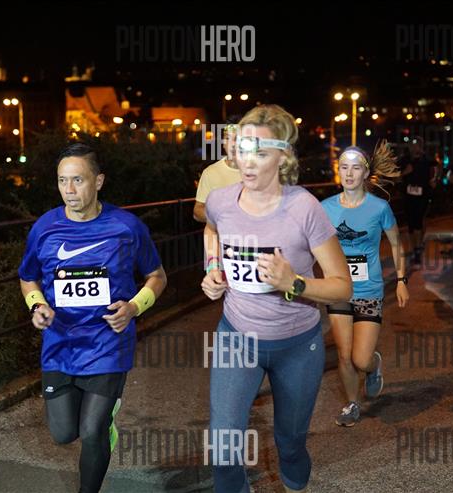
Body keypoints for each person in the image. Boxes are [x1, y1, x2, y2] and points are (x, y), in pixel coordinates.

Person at [201, 104, 352, 493]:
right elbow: (212, 232)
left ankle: (293, 462)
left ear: (283, 157)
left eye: (261, 153)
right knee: (223, 447)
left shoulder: (303, 208)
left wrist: (294, 283)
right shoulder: (219, 200)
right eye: (242, 150)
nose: (248, 162)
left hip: (297, 345)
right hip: (237, 337)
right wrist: (213, 268)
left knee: (290, 443)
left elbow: (342, 286)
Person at [18, 143, 167, 493]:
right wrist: (37, 306)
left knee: (91, 431)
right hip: (60, 344)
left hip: (108, 343)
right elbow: (28, 278)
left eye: (78, 180)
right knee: (63, 433)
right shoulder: (45, 228)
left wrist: (133, 307)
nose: (69, 190)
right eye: (62, 181)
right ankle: (103, 427)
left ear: (98, 181)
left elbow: (157, 276)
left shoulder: (126, 226)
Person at [321, 143, 410, 427]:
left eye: (355, 168)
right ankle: (351, 404)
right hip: (338, 289)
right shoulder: (325, 208)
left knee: (360, 359)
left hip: (369, 291)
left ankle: (374, 365)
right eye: (344, 167)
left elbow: (396, 244)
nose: (349, 174)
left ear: (365, 173)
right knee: (344, 356)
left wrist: (401, 280)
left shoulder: (379, 207)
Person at [193, 115, 242, 223]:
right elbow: (197, 211)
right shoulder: (210, 173)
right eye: (227, 138)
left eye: (238, 138)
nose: (233, 144)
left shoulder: (259, 172)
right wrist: (220, 216)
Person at [400, 137, 438, 265]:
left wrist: (434, 179)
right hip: (408, 196)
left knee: (418, 221)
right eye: (412, 145)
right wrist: (405, 172)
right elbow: (394, 177)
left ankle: (417, 250)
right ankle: (415, 247)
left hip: (423, 195)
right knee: (411, 224)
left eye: (417, 145)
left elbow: (437, 169)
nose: (414, 147)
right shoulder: (404, 160)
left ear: (421, 146)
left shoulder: (427, 159)